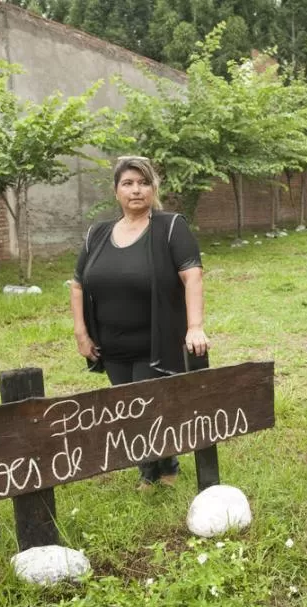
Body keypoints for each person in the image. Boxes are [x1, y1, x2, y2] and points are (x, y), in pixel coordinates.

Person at [70, 156, 209, 489]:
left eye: (143, 182)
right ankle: (157, 467)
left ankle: (159, 472)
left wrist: (195, 326)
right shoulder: (98, 233)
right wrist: (81, 332)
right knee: (126, 409)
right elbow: (78, 284)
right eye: (128, 183)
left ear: (153, 188)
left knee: (147, 408)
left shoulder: (170, 226)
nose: (136, 190)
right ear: (116, 191)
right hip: (112, 343)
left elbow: (192, 277)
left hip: (155, 340)